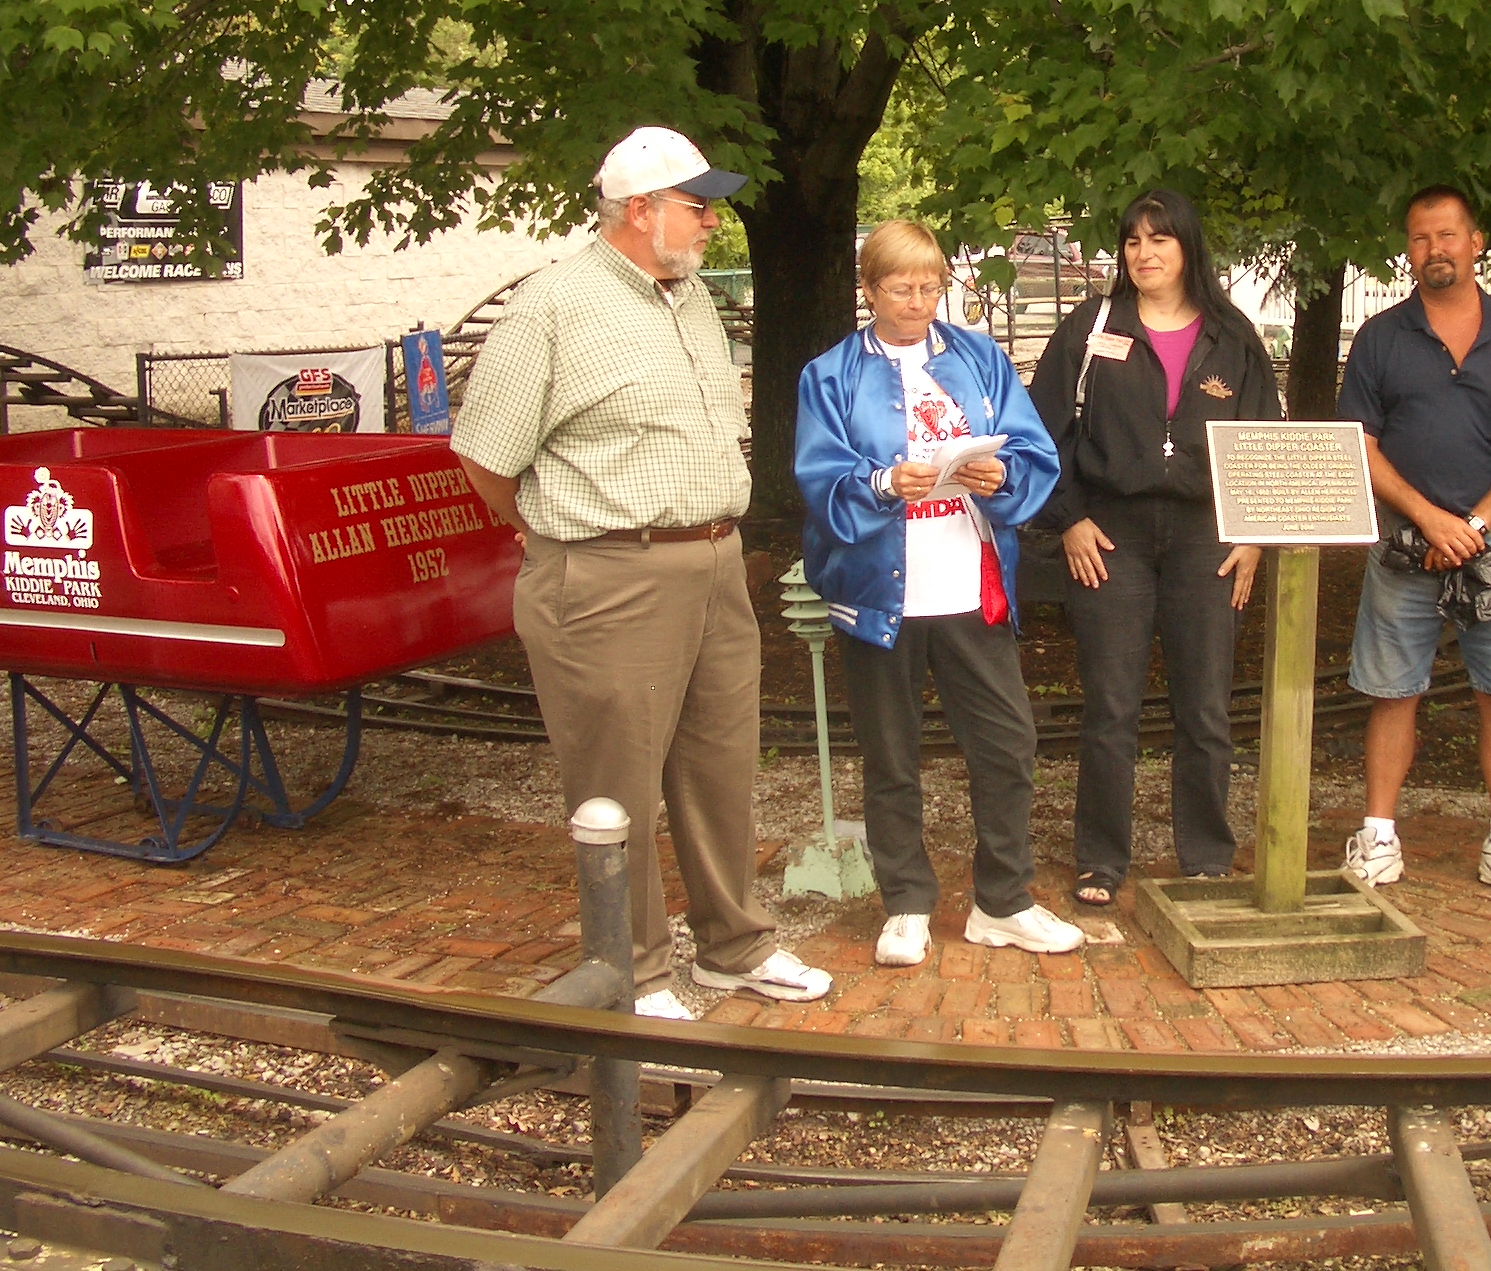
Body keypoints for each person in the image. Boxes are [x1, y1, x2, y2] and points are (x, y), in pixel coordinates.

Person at [451, 126, 831, 1020]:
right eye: (699, 206)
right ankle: (632, 973)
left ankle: (734, 947)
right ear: (639, 209)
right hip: (608, 572)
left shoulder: (690, 298)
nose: (713, 222)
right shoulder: (552, 308)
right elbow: (484, 458)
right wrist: (557, 536)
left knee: (719, 766)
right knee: (614, 786)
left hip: (715, 563)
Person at [795, 220, 1082, 966]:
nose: (918, 302)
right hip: (879, 594)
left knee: (1007, 744)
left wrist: (1002, 475)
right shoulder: (830, 375)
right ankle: (905, 905)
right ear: (869, 290)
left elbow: (1032, 450)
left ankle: (1003, 901)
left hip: (968, 586)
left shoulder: (980, 358)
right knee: (891, 755)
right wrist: (884, 482)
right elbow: (819, 478)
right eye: (901, 288)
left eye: (930, 287)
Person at [1027, 189, 1281, 907]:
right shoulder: (1090, 328)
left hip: (1206, 538)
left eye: (1159, 239)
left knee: (1206, 706)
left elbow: (1263, 437)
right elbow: (1040, 434)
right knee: (1111, 706)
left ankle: (1205, 855)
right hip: (1111, 535)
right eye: (1133, 241)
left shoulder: (1233, 335)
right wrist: (1069, 518)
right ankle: (1101, 859)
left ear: (1187, 246)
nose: (1144, 253)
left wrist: (1253, 536)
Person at [1337, 188, 1491, 900]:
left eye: (1447, 235)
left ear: (1476, 242)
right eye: (1420, 238)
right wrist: (1430, 519)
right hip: (1405, 541)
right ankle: (1379, 836)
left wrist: (1475, 526)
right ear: (1408, 250)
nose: (1434, 249)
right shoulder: (1380, 337)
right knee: (1391, 691)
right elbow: (1359, 443)